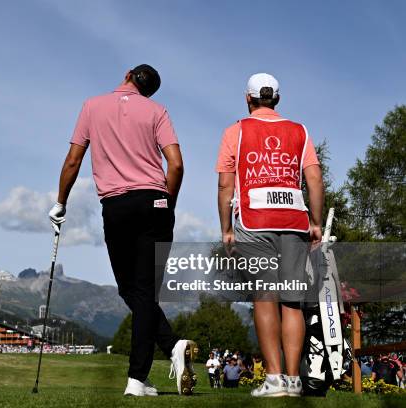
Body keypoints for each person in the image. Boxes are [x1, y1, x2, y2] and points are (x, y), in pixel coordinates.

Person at [48, 64, 197, 397]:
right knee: (139, 291)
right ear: (149, 91)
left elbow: (73, 161)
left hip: (115, 208)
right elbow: (176, 164)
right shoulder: (157, 111)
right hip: (154, 204)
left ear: (128, 74)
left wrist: (60, 202)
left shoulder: (91, 106)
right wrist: (167, 204)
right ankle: (166, 352)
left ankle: (140, 376)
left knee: (132, 289)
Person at [216, 73, 324, 397]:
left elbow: (225, 186)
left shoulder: (234, 131)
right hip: (294, 221)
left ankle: (274, 379)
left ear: (248, 98)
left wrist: (225, 230)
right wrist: (315, 222)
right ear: (277, 99)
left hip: (253, 221)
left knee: (265, 298)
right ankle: (294, 380)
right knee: (293, 301)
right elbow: (314, 179)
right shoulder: (299, 131)